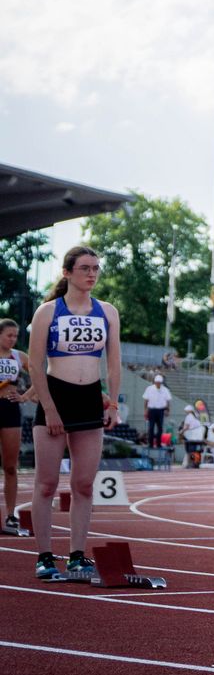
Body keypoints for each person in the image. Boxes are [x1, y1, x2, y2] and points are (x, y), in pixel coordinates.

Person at [21, 245, 120, 580]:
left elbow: (114, 362)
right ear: (67, 273)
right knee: (46, 484)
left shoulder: (107, 312)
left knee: (84, 484)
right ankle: (44, 556)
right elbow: (34, 364)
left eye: (96, 268)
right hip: (56, 396)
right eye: (84, 268)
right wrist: (48, 408)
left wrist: (115, 403)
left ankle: (77, 555)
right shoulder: (48, 312)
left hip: (90, 398)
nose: (91, 274)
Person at [0, 319, 26, 534]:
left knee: (10, 466)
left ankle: (10, 515)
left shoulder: (19, 357)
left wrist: (25, 396)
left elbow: (41, 375)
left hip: (10, 410)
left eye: (15, 336)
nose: (12, 339)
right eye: (9, 335)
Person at [142, 372, 173, 448]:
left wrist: (167, 410)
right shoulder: (149, 389)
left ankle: (159, 443)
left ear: (161, 383)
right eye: (157, 383)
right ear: (155, 382)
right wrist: (145, 410)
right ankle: (151, 443)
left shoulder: (165, 390)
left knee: (160, 428)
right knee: (151, 427)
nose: (158, 384)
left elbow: (168, 401)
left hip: (160, 410)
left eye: (159, 383)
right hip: (151, 410)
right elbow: (146, 400)